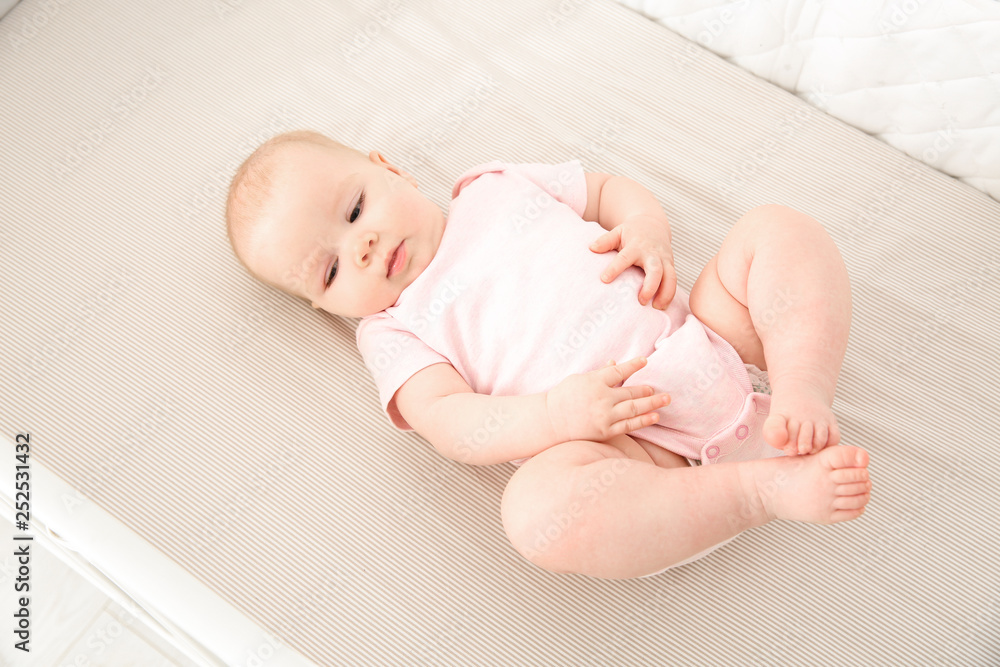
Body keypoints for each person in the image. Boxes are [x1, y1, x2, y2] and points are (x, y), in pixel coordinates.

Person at [225, 130, 872, 580]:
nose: (361, 246)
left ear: (390, 167)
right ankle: (755, 491)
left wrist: (646, 231)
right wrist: (558, 417)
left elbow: (610, 191)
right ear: (324, 305)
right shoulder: (391, 331)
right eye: (332, 269)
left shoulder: (491, 185)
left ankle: (799, 388)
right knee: (536, 515)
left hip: (708, 337)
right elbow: (451, 422)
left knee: (772, 231)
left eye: (356, 208)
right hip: (631, 447)